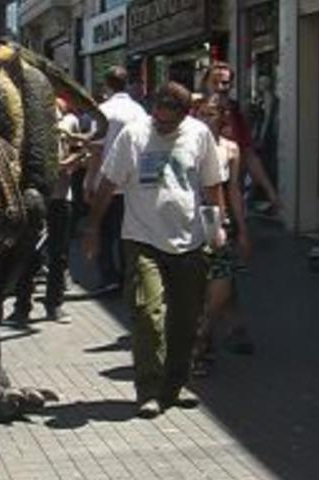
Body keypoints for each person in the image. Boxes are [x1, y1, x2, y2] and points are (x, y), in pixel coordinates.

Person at [82, 82, 226, 418]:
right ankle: (149, 389)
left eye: (168, 122)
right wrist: (92, 228)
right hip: (142, 238)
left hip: (189, 241)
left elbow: (212, 184)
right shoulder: (133, 135)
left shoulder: (199, 134)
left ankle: (175, 386)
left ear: (184, 114)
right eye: (157, 118)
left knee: (186, 318)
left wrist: (218, 226)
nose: (160, 125)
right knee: (148, 313)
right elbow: (108, 184)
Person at [9, 97, 86, 324]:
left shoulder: (68, 123)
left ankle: (54, 304)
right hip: (35, 198)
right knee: (28, 253)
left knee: (59, 254)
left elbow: (80, 153)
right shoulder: (27, 128)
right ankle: (22, 306)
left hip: (61, 196)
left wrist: (67, 163)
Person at [192, 97, 251, 375]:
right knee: (197, 287)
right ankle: (200, 345)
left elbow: (234, 190)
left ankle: (202, 334)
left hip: (218, 221)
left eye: (212, 114)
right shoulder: (188, 147)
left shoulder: (230, 149)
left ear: (223, 117)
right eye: (201, 114)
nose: (206, 119)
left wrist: (242, 229)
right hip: (191, 221)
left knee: (222, 283)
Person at [83, 66, 148, 293]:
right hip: (134, 182)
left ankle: (110, 277)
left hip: (107, 181)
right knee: (126, 233)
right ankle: (130, 277)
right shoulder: (139, 111)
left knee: (103, 230)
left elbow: (97, 149)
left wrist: (89, 180)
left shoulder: (102, 111)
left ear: (107, 85)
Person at [202, 61, 283, 213]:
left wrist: (270, 192)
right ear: (205, 84)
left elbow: (248, 153)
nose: (220, 87)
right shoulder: (194, 112)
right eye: (214, 82)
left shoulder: (234, 112)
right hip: (204, 194)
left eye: (224, 83)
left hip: (231, 191)